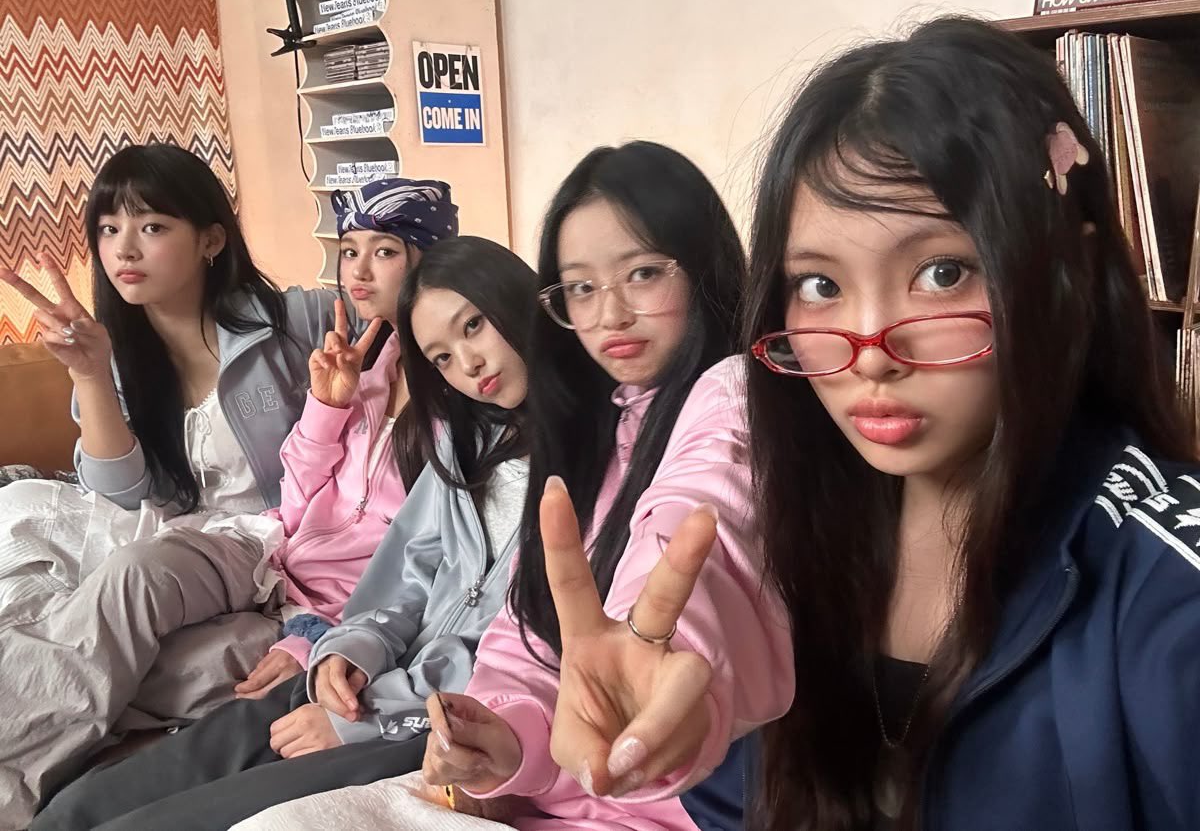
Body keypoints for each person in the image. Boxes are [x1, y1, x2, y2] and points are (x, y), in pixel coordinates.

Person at [538, 17, 1200, 831]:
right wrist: (677, 722)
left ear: (1070, 269)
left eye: (942, 272)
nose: (871, 352)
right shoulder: (790, 527)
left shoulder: (1159, 581)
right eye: (820, 286)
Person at [34, 236, 534, 831]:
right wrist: (348, 649)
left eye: (474, 326)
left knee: (166, 767)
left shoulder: (534, 452)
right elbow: (393, 559)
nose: (468, 363)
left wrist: (339, 668)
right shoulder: (442, 419)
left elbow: (512, 649)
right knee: (86, 802)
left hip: (415, 710)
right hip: (313, 602)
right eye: (442, 356)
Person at [415, 141, 793, 831]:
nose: (609, 315)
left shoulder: (740, 395)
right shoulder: (584, 432)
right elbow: (533, 625)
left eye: (642, 273)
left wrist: (660, 650)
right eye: (582, 289)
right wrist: (498, 737)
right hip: (550, 800)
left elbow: (696, 529)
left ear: (703, 264)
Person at [0, 144, 341, 610]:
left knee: (134, 577)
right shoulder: (110, 354)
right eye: (109, 229)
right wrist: (91, 374)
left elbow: (402, 318)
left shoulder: (294, 321)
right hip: (169, 545)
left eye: (152, 227)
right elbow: (117, 500)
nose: (124, 249)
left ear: (211, 241)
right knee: (17, 509)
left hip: (269, 550)